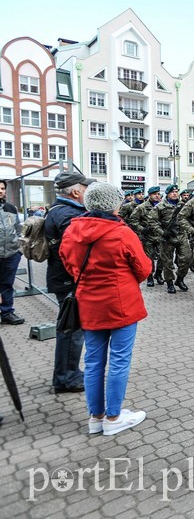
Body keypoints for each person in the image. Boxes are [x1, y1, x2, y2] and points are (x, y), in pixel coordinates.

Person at [59, 182, 150, 435]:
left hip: (88, 303)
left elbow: (69, 264)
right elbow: (143, 268)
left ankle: (96, 416)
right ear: (114, 204)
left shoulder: (72, 231)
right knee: (119, 361)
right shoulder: (121, 232)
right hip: (121, 303)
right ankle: (113, 418)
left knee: (93, 361)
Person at [45, 168, 96, 393]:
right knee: (71, 330)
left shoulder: (61, 210)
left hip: (65, 279)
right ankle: (66, 378)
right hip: (69, 281)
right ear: (76, 192)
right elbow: (74, 252)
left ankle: (67, 373)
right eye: (85, 188)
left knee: (71, 329)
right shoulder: (68, 214)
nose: (87, 192)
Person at [155, 184, 191, 293]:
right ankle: (170, 282)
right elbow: (152, 222)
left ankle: (180, 279)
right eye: (172, 192)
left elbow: (190, 218)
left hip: (181, 235)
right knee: (168, 262)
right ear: (168, 194)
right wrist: (162, 232)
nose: (175, 194)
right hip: (167, 237)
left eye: (176, 192)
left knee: (186, 258)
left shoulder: (184, 205)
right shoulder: (160, 206)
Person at [0, 179, 25, 325]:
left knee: (7, 284)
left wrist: (19, 250)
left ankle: (7, 312)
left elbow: (18, 229)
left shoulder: (10, 208)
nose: (0, 191)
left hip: (11, 254)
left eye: (2, 188)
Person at [129, 186, 163, 286]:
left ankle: (158, 273)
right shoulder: (141, 207)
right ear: (150, 195)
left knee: (163, 256)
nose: (157, 196)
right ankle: (150, 276)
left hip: (160, 235)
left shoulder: (162, 206)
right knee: (149, 257)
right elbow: (133, 220)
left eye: (158, 194)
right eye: (154, 194)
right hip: (148, 236)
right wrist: (142, 229)